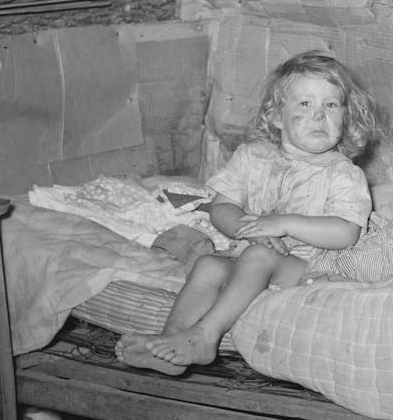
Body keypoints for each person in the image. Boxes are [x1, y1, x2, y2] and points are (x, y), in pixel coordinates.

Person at [116, 50, 377, 375]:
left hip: (310, 266)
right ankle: (172, 339)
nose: (319, 115)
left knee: (258, 258)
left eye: (331, 105)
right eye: (305, 104)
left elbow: (346, 233)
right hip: (254, 254)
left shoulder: (343, 173)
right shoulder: (252, 158)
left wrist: (281, 224)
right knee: (208, 264)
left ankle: (205, 336)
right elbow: (221, 207)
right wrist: (248, 229)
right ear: (278, 117)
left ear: (346, 116)